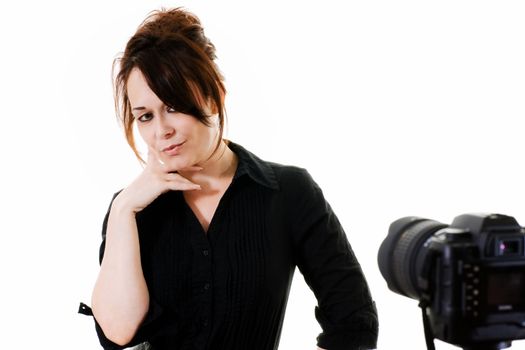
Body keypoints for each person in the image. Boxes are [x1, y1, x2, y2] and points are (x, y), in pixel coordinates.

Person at [79, 7, 378, 350]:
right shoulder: (131, 209)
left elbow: (354, 322)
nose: (161, 131)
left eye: (174, 106)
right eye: (145, 116)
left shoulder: (289, 193)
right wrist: (122, 210)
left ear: (214, 95)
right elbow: (118, 333)